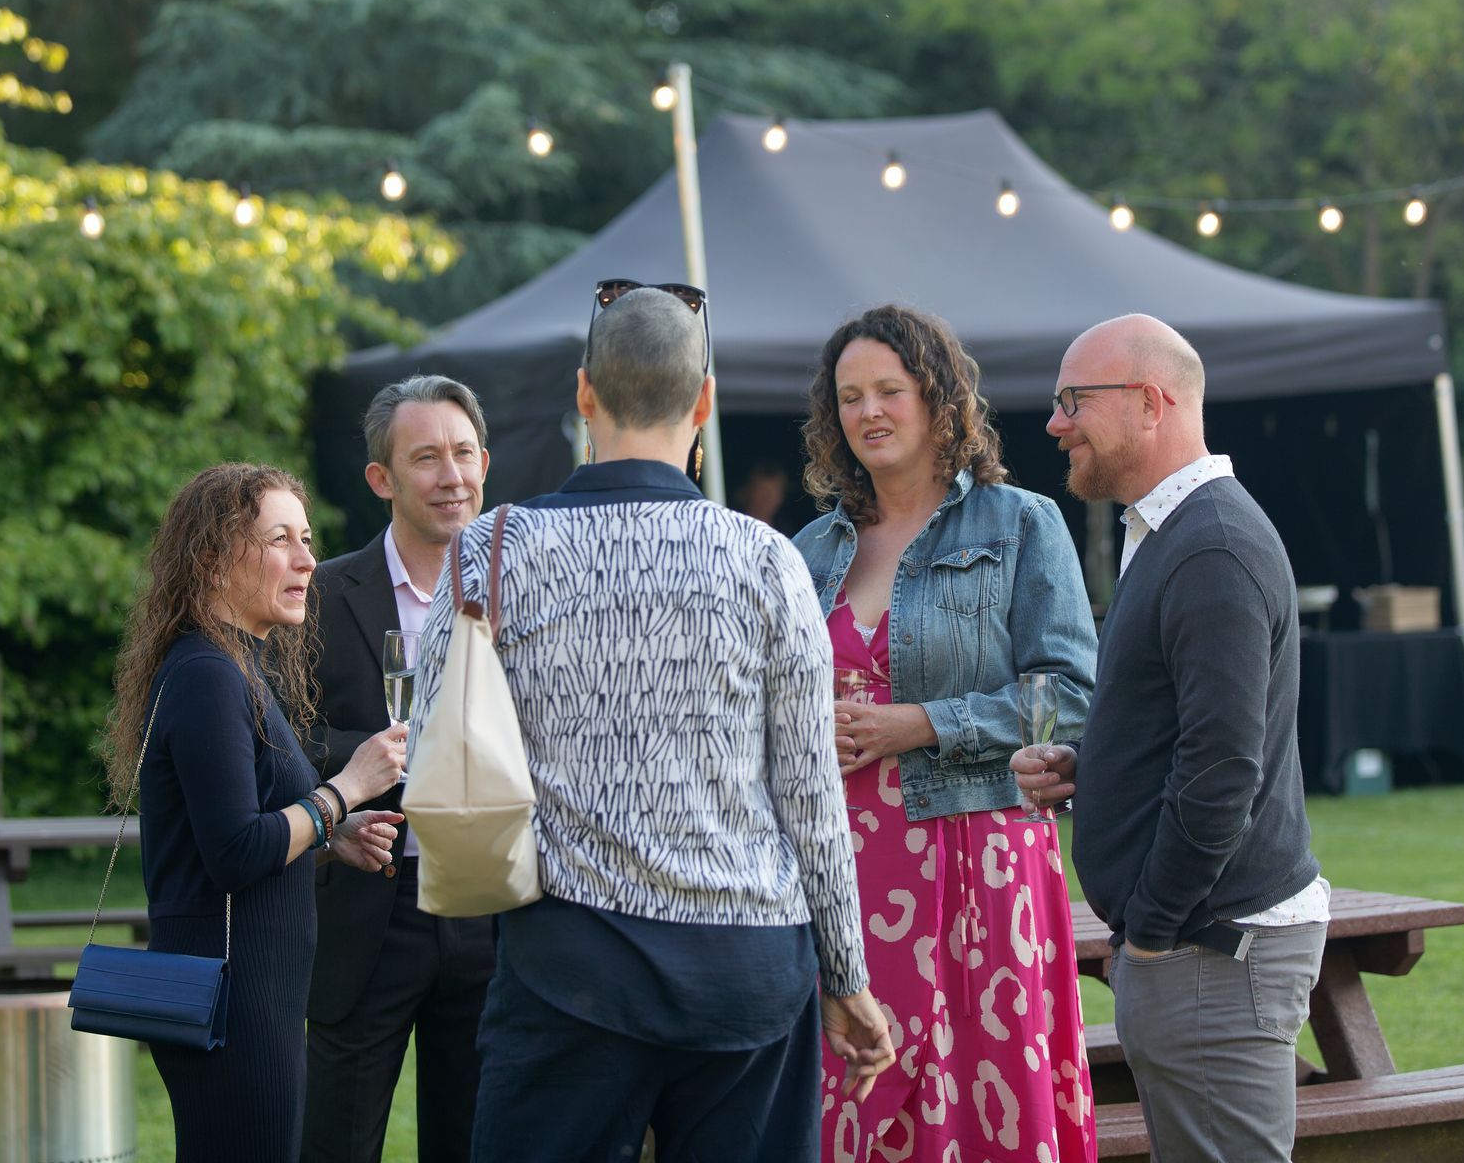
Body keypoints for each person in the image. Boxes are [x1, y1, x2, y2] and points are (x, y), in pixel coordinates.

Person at [410, 281, 895, 1162]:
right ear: (704, 399)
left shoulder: (493, 548)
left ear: (585, 393)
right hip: (750, 969)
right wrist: (847, 975)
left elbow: (435, 734)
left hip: (568, 966)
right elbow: (810, 795)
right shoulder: (767, 559)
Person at [793, 304, 1100, 1163]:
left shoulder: (1020, 524)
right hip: (838, 866)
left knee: (979, 1096)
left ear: (937, 399)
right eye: (850, 397)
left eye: (889, 390)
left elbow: (1071, 696)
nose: (869, 413)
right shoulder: (809, 550)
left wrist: (919, 724)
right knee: (851, 1102)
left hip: (977, 857)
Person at [1018, 314, 1329, 1162]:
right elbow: (1195, 733)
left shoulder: (1211, 548)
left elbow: (1224, 770)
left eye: (1074, 400)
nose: (1055, 423)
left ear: (1151, 403)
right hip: (1200, 948)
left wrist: (1151, 933)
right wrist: (1095, 770)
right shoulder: (1176, 534)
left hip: (1209, 950)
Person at [102, 463, 405, 1163]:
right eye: (280, 541)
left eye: (306, 539)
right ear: (213, 558)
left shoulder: (234, 665)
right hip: (230, 1004)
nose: (307, 560)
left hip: (251, 997)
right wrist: (345, 791)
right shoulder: (209, 675)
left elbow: (248, 832)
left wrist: (332, 833)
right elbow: (236, 852)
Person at [303, 376, 495, 1163]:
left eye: (461, 453)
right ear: (382, 479)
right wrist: (366, 757)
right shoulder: (320, 594)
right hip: (364, 912)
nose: (450, 476)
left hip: (489, 908)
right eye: (425, 458)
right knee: (336, 1145)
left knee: (474, 1143)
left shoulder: (528, 588)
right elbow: (279, 733)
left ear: (486, 461)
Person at [735, 459, 792, 529]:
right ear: (747, 491)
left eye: (773, 493)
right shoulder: (734, 527)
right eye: (762, 491)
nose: (767, 499)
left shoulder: (786, 533)